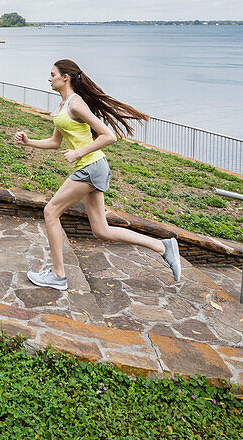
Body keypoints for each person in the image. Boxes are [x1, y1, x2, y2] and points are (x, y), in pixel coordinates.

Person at [12, 59, 183, 290]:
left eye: (53, 74)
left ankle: (58, 275)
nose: (49, 78)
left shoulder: (75, 103)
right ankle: (163, 247)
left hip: (90, 168)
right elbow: (55, 142)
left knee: (50, 211)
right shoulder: (62, 106)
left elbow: (108, 136)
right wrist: (28, 142)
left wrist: (78, 153)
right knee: (101, 230)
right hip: (93, 169)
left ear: (65, 77)